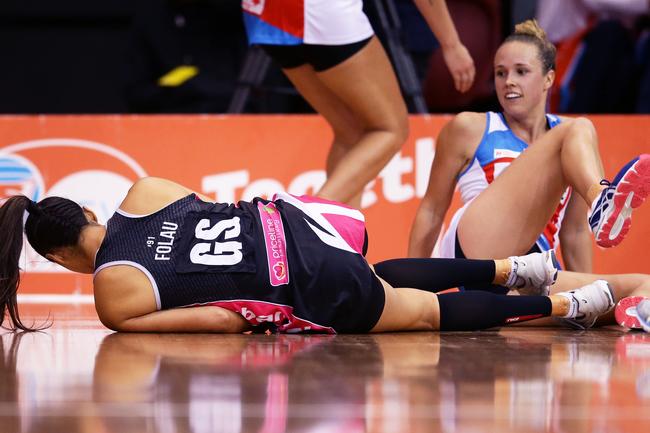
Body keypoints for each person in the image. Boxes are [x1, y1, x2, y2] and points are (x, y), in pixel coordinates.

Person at [0, 177, 616, 334]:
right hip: (305, 224)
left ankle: (563, 305)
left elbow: (225, 317)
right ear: (88, 211)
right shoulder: (143, 194)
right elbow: (215, 218)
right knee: (376, 276)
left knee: (423, 316)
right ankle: (513, 268)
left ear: (60, 260)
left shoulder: (112, 294)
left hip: (301, 280)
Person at [408, 19, 650, 329]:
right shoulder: (471, 127)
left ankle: (628, 302)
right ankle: (601, 199)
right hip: (477, 253)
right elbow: (430, 210)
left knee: (642, 285)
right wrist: (411, 290)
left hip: (532, 272)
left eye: (521, 72)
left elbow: (574, 234)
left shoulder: (574, 142)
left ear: (549, 78)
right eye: (500, 73)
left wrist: (592, 296)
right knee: (577, 128)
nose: (508, 81)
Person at [241, 0, 475, 208]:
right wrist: (452, 44)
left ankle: (340, 246)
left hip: (264, 13)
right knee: (390, 129)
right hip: (319, 13)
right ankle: (304, 218)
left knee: (351, 132)